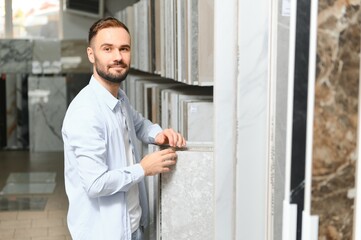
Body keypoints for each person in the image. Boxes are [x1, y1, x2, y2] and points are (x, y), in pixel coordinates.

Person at [61, 17, 186, 240]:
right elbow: (95, 184)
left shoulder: (119, 97)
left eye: (124, 49)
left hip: (132, 227)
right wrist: (143, 169)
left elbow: (138, 123)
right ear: (91, 54)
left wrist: (157, 134)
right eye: (107, 49)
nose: (118, 57)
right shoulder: (85, 112)